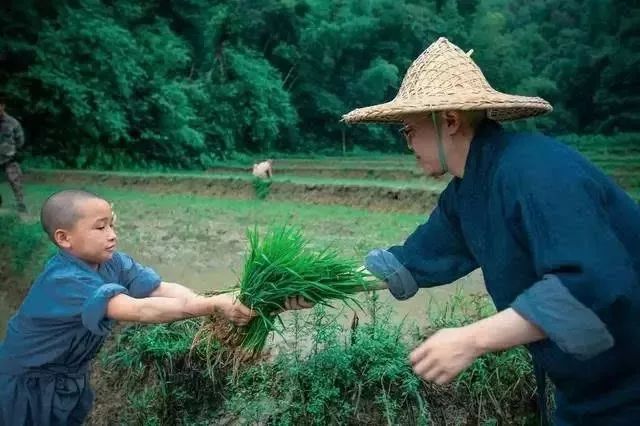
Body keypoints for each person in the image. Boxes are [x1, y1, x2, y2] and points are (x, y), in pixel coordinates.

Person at [343, 37, 640, 425]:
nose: (408, 143)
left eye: (408, 130)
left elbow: (590, 285)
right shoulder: (467, 194)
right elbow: (407, 263)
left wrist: (470, 339)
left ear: (449, 120)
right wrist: (307, 287)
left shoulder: (536, 171)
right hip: (583, 391)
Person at [0, 189, 311, 425]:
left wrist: (222, 301)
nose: (112, 235)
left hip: (70, 379)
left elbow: (161, 289)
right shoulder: (65, 280)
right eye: (100, 228)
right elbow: (139, 310)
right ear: (64, 238)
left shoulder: (113, 263)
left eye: (112, 225)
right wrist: (211, 305)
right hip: (25, 385)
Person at [0, 96, 27, 213]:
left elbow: (20, 139)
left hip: (9, 157)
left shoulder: (12, 122)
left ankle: (21, 204)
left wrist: (14, 152)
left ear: (2, 106)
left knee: (15, 181)